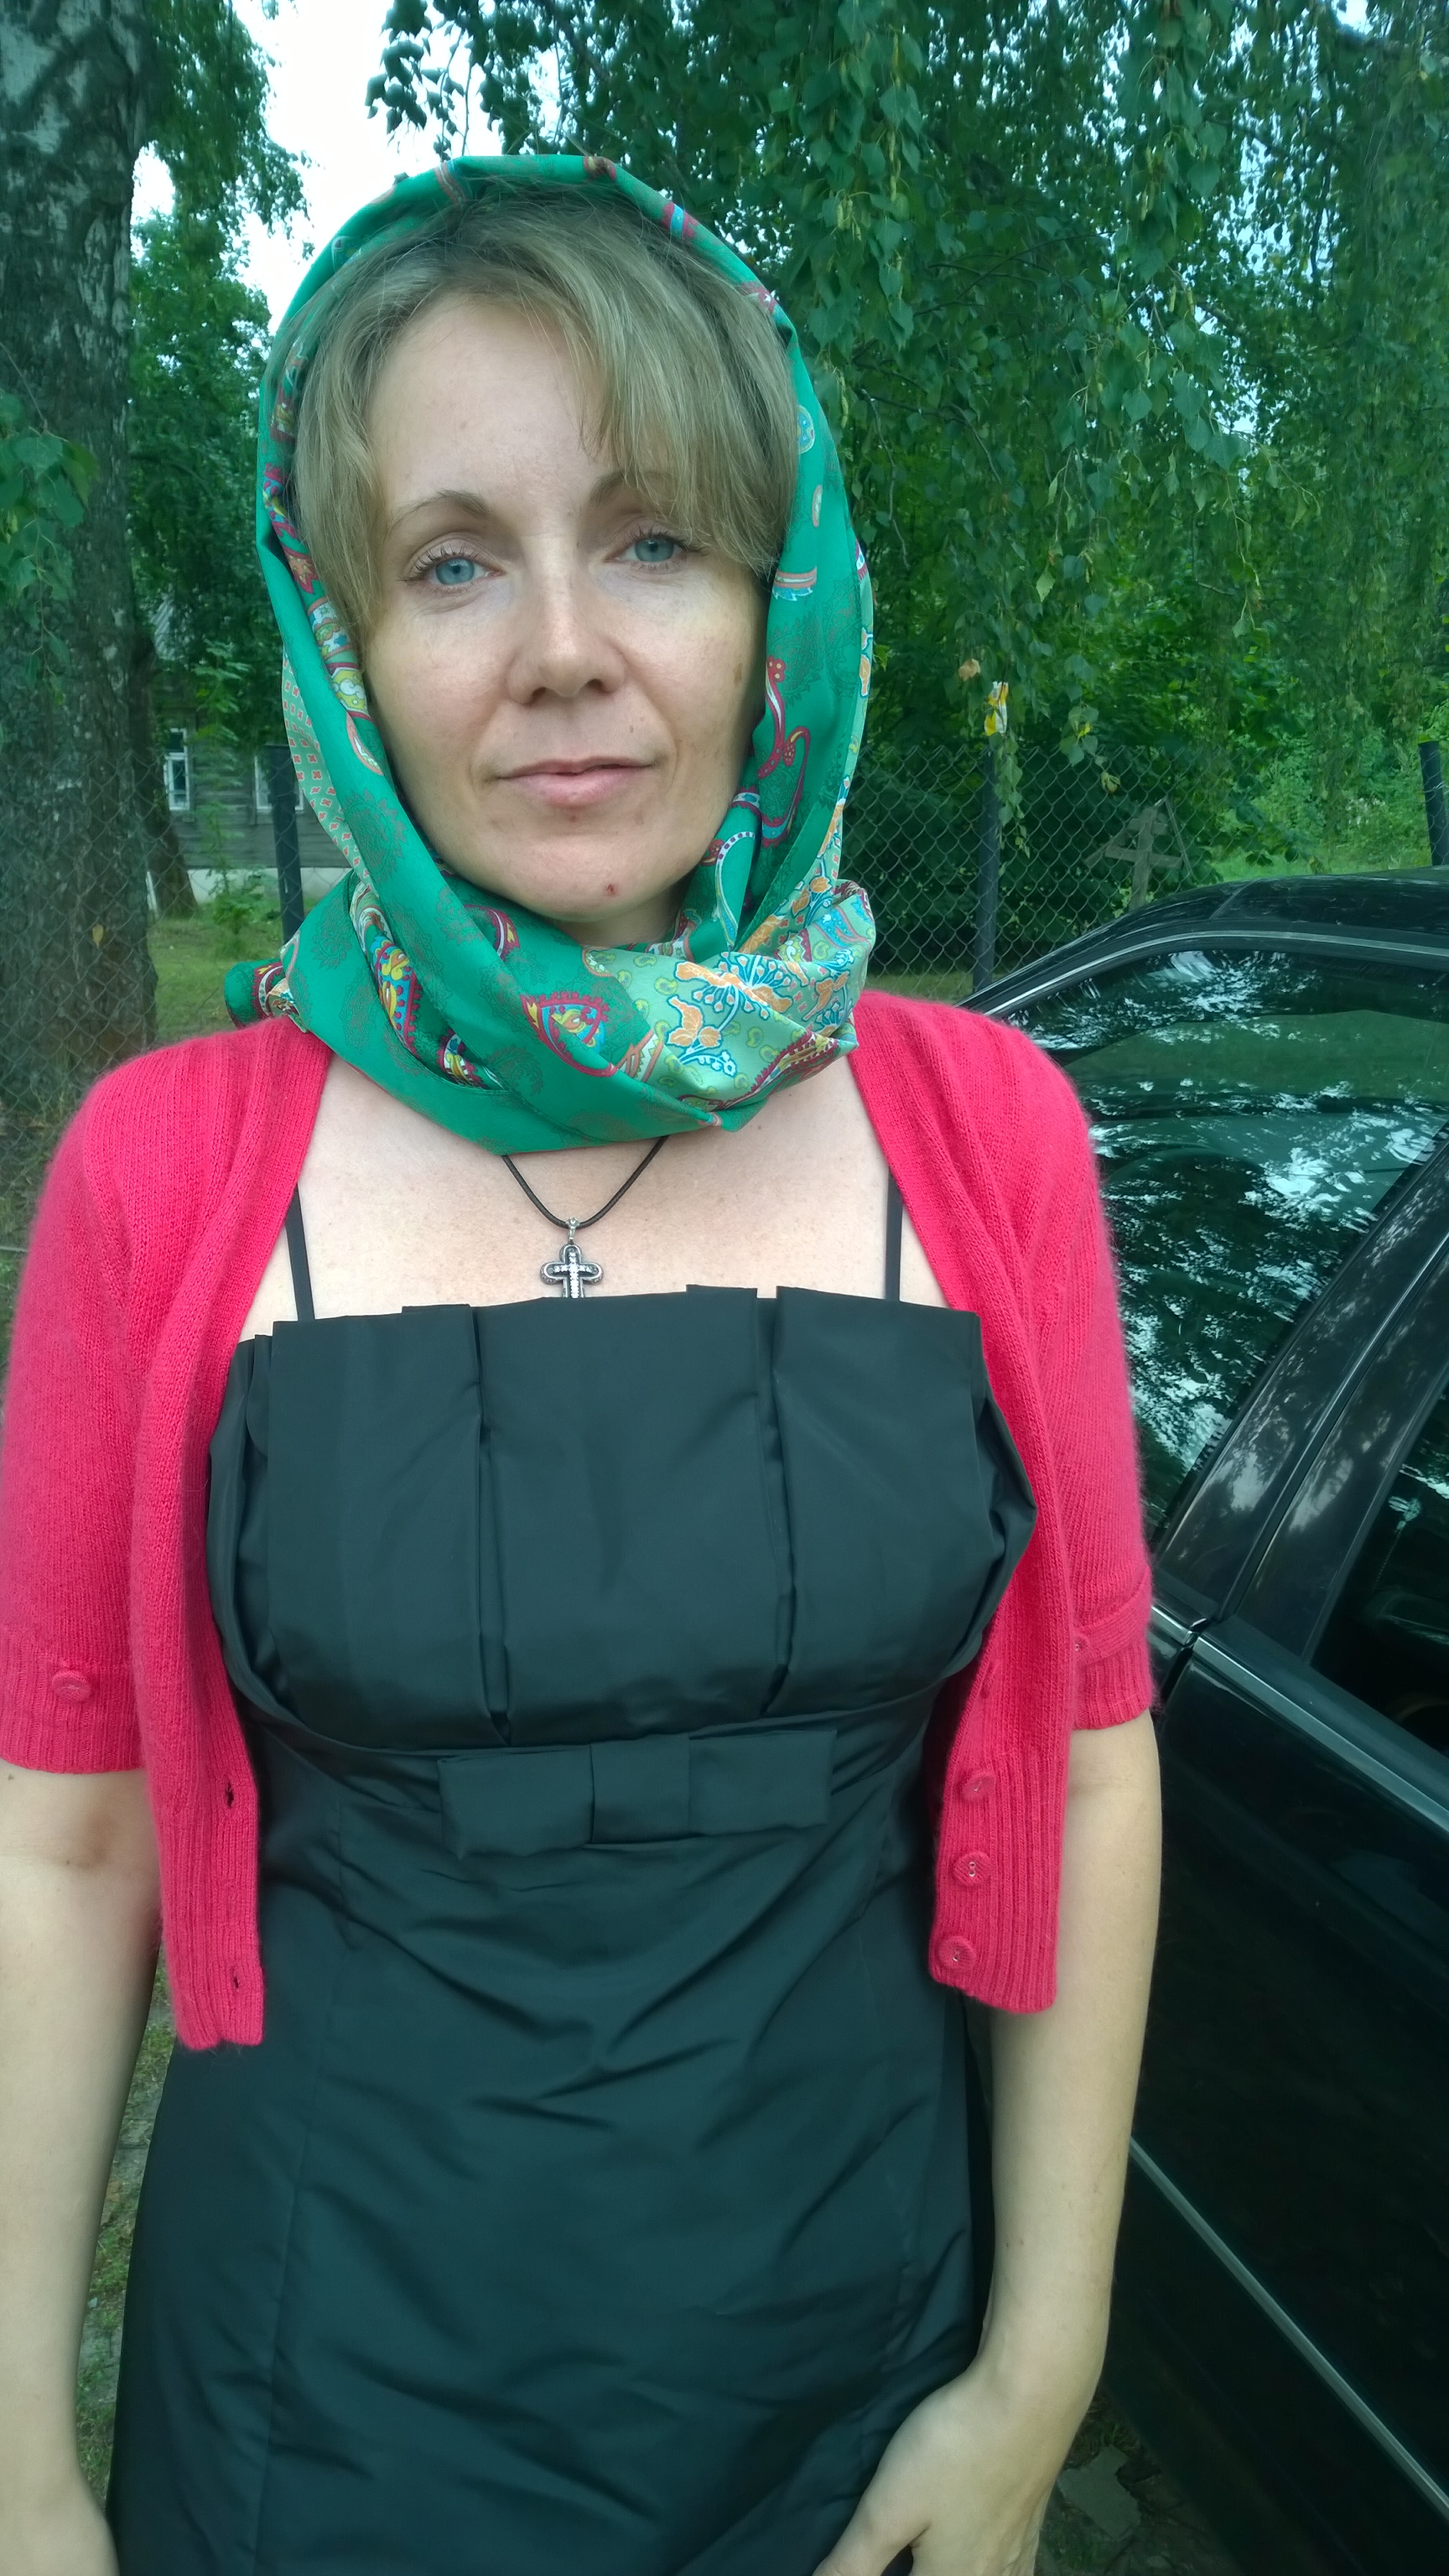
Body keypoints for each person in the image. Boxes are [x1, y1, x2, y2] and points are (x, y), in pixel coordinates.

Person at [0, 158, 1159, 2576]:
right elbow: (62, 1844)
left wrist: (1035, 2380)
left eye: (649, 540)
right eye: (452, 563)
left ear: (778, 596)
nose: (558, 649)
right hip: (318, 2415)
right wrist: (20, 2475)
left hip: (859, 2403)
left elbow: (1084, 1759)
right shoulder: (162, 1174)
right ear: (343, 637)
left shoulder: (991, 1140)